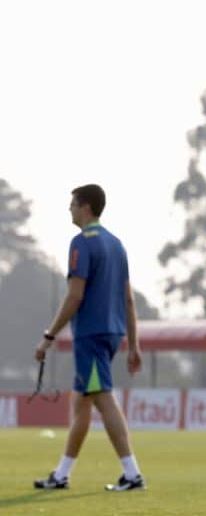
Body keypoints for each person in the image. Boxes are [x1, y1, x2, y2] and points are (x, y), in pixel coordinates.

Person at [33, 184, 146, 492]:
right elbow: (128, 300)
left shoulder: (81, 243)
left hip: (91, 335)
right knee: (81, 402)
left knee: (102, 397)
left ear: (85, 207)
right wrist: (133, 344)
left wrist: (48, 337)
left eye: (72, 204)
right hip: (111, 334)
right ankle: (61, 474)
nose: (69, 209)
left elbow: (74, 297)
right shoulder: (117, 244)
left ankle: (133, 473)